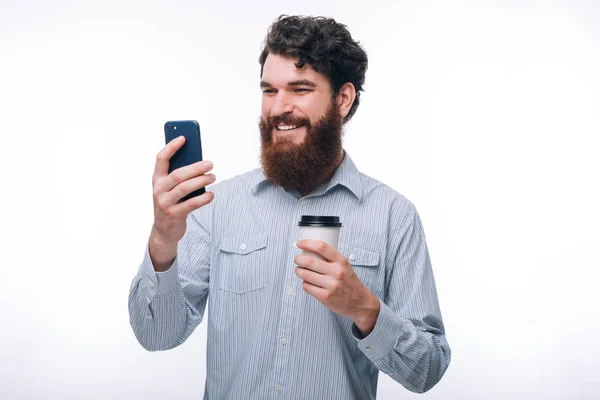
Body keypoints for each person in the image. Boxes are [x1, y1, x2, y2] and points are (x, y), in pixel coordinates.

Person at [129, 14, 451, 399]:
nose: (279, 107)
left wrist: (365, 309)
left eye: (299, 89)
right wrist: (163, 238)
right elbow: (156, 335)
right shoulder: (218, 206)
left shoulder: (394, 217)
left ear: (342, 100)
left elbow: (428, 369)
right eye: (269, 90)